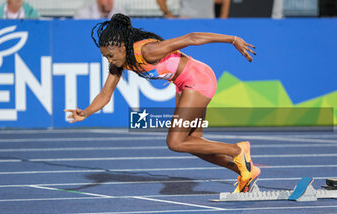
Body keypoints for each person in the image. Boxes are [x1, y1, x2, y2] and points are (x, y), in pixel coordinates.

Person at [65, 14, 260, 193]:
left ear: (122, 46)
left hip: (198, 79)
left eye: (110, 55)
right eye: (105, 57)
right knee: (195, 145)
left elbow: (191, 38)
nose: (109, 60)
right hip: (184, 85)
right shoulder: (120, 62)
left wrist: (233, 39)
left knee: (175, 142)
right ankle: (245, 171)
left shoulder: (147, 51)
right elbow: (105, 94)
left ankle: (237, 150)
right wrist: (86, 112)